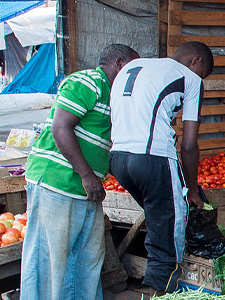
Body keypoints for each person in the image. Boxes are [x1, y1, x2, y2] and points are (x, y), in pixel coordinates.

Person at [20, 44, 139, 300]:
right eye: (133, 67)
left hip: (85, 189)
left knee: (86, 261)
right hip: (57, 182)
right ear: (120, 64)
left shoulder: (113, 95)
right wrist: (87, 175)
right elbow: (60, 128)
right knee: (50, 261)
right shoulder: (88, 82)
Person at [108, 41, 213, 292]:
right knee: (168, 236)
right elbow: (189, 145)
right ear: (195, 60)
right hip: (153, 158)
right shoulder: (189, 78)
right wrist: (193, 190)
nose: (201, 79)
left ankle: (154, 285)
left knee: (159, 222)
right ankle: (161, 292)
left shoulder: (133, 67)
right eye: (203, 73)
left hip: (118, 160)